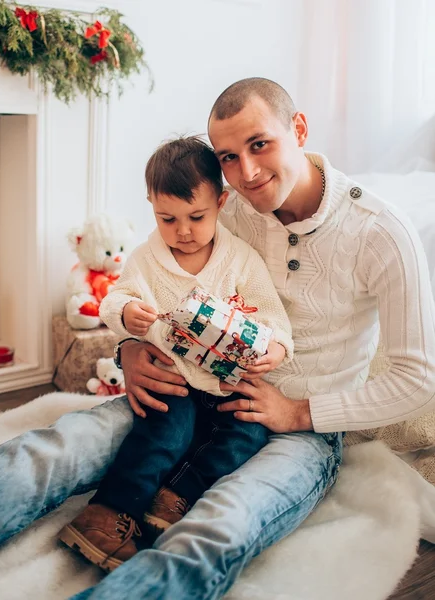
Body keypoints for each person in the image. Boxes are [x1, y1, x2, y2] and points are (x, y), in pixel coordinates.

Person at [0, 78, 434, 600]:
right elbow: (149, 283)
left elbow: (418, 378)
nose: (248, 173)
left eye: (259, 144)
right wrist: (130, 350)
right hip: (187, 389)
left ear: (299, 129)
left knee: (217, 528)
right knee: (51, 451)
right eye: (229, 158)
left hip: (294, 431)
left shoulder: (381, 234)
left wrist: (300, 413)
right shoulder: (223, 206)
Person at [58, 136, 294, 572]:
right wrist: (127, 313)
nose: (183, 231)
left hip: (227, 382)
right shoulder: (148, 259)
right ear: (150, 205)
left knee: (249, 435)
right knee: (163, 435)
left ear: (221, 203)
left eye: (196, 217)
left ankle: (173, 498)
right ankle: (108, 511)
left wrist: (274, 350)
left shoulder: (240, 259)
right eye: (167, 218)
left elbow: (274, 319)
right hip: (174, 378)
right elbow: (114, 298)